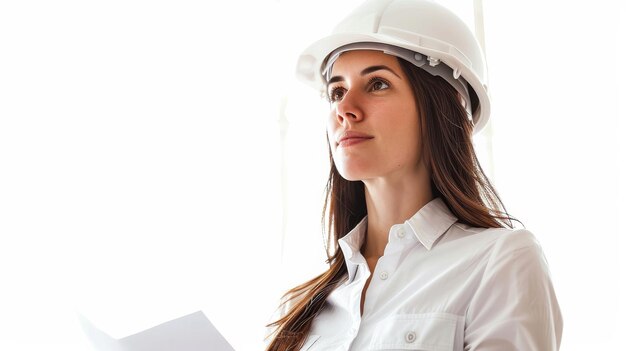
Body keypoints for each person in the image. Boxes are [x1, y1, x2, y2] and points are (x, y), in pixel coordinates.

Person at [266, 0, 563, 350]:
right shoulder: (301, 307)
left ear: (442, 105)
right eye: (337, 91)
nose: (345, 109)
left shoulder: (500, 261)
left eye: (377, 84)